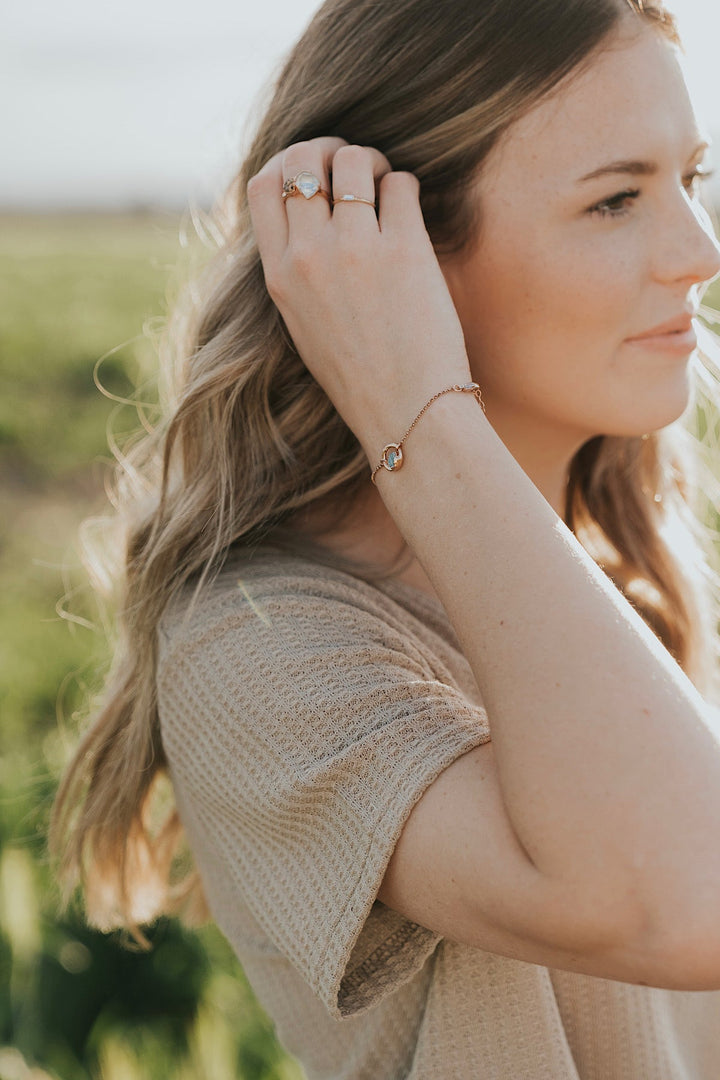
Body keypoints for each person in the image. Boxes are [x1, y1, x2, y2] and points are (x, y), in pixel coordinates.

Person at [50, 0, 720, 1075]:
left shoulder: (627, 570)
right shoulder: (260, 649)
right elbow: (691, 896)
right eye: (615, 200)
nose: (700, 251)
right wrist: (413, 403)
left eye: (692, 178)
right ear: (392, 258)